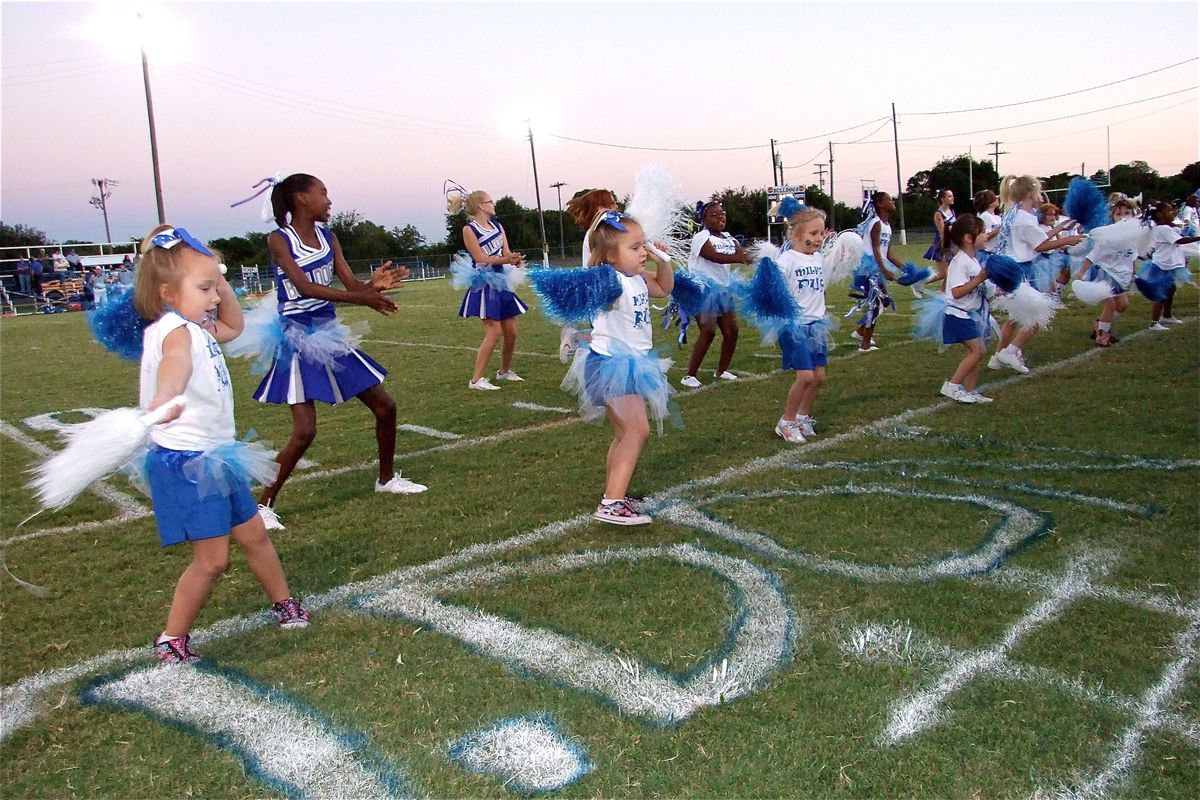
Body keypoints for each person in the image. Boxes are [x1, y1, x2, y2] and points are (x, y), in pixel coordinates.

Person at [133, 223, 310, 663]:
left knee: (253, 536)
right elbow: (174, 365)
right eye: (205, 288)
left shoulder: (199, 326)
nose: (215, 297)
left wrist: (216, 278)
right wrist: (166, 394)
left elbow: (234, 323)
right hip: (190, 463)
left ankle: (284, 603)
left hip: (217, 455)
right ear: (169, 293)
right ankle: (171, 638)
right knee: (212, 561)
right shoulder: (174, 330)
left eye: (216, 286)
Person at [252, 173, 426, 531]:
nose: (329, 201)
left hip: (329, 334)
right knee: (304, 431)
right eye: (323, 193)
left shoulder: (329, 237)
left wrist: (372, 286)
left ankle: (386, 479)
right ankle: (262, 505)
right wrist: (362, 297)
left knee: (385, 407)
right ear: (301, 198)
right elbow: (303, 286)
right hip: (296, 337)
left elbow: (350, 285)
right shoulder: (279, 239)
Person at [552, 210, 675, 525]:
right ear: (609, 255)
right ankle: (611, 504)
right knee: (637, 430)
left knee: (624, 433)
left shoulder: (637, 277)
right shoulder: (612, 280)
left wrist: (663, 262)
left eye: (642, 245)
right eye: (635, 248)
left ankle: (614, 492)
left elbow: (663, 288)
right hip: (611, 365)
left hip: (634, 363)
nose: (643, 252)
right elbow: (594, 293)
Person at [987, 174, 1084, 374]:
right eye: (1039, 192)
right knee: (1038, 313)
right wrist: (1067, 240)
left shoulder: (1012, 213)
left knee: (1015, 318)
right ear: (1031, 194)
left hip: (1012, 269)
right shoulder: (1025, 218)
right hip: (1021, 271)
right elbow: (1040, 245)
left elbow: (1033, 239)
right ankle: (1011, 351)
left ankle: (998, 357)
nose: (1041, 196)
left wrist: (1059, 228)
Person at [761, 204, 832, 444]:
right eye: (813, 234)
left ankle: (803, 416)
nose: (818, 239)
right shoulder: (787, 259)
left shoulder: (819, 258)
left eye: (821, 233)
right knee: (805, 377)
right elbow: (775, 291)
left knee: (819, 377)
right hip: (794, 326)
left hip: (817, 324)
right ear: (795, 234)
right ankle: (787, 422)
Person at [450, 190, 528, 390]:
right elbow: (480, 258)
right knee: (494, 331)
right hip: (484, 282)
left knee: (511, 331)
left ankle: (504, 372)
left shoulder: (497, 226)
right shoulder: (470, 229)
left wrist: (514, 259)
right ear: (480, 206)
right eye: (490, 201)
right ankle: (476, 380)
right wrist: (505, 259)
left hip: (502, 279)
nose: (493, 204)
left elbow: (506, 252)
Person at [680, 201, 745, 387]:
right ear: (704, 219)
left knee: (732, 332)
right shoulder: (701, 237)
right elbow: (713, 256)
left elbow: (741, 254)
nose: (720, 217)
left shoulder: (729, 238)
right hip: (703, 290)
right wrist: (739, 258)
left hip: (723, 289)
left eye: (722, 213)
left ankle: (722, 371)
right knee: (708, 331)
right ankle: (689, 375)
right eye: (714, 214)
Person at [937, 214, 993, 403]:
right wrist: (979, 279)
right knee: (978, 351)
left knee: (976, 351)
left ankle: (970, 390)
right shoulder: (960, 262)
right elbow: (956, 292)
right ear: (969, 238)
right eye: (983, 232)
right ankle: (952, 386)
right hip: (958, 315)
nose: (987, 235)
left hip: (969, 313)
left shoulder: (972, 260)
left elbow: (977, 287)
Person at [559, 188, 619, 363]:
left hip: (610, 289)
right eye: (612, 203)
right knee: (607, 340)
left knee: (615, 338)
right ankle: (576, 337)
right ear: (600, 207)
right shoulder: (596, 233)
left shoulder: (607, 230)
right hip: (601, 292)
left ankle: (576, 336)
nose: (616, 207)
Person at [1073, 193, 1138, 347]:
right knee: (1111, 304)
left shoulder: (1135, 235)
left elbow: (1132, 256)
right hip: (1104, 271)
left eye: (1127, 213)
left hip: (1120, 275)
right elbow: (1094, 255)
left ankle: (1100, 325)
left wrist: (1133, 274)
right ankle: (1102, 337)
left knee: (1122, 305)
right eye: (1118, 214)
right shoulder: (1109, 235)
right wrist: (1081, 272)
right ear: (1113, 216)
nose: (1123, 217)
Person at [850, 191, 904, 353]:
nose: (893, 202)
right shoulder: (876, 223)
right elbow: (874, 249)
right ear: (880, 204)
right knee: (877, 302)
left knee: (884, 301)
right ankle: (865, 344)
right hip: (868, 269)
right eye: (889, 200)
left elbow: (888, 253)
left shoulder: (887, 226)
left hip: (877, 268)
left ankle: (860, 332)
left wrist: (906, 268)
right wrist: (884, 270)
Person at [1142, 200, 1199, 329]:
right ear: (1160, 214)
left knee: (1170, 290)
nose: (1172, 212)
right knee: (1161, 294)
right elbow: (1181, 240)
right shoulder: (1163, 229)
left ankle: (1167, 316)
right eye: (1168, 210)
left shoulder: (1166, 227)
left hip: (1169, 265)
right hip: (1162, 266)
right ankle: (1154, 322)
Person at [924, 188, 956, 287]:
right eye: (949, 196)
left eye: (952, 195)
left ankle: (942, 294)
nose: (952, 198)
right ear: (942, 199)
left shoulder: (952, 211)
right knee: (944, 273)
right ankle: (919, 282)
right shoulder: (939, 213)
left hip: (952, 243)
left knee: (951, 273)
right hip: (942, 244)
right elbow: (942, 232)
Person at [974, 190, 1003, 264]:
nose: (997, 199)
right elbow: (985, 236)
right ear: (989, 202)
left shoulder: (996, 217)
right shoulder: (985, 216)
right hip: (986, 254)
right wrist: (999, 229)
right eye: (994, 197)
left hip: (995, 253)